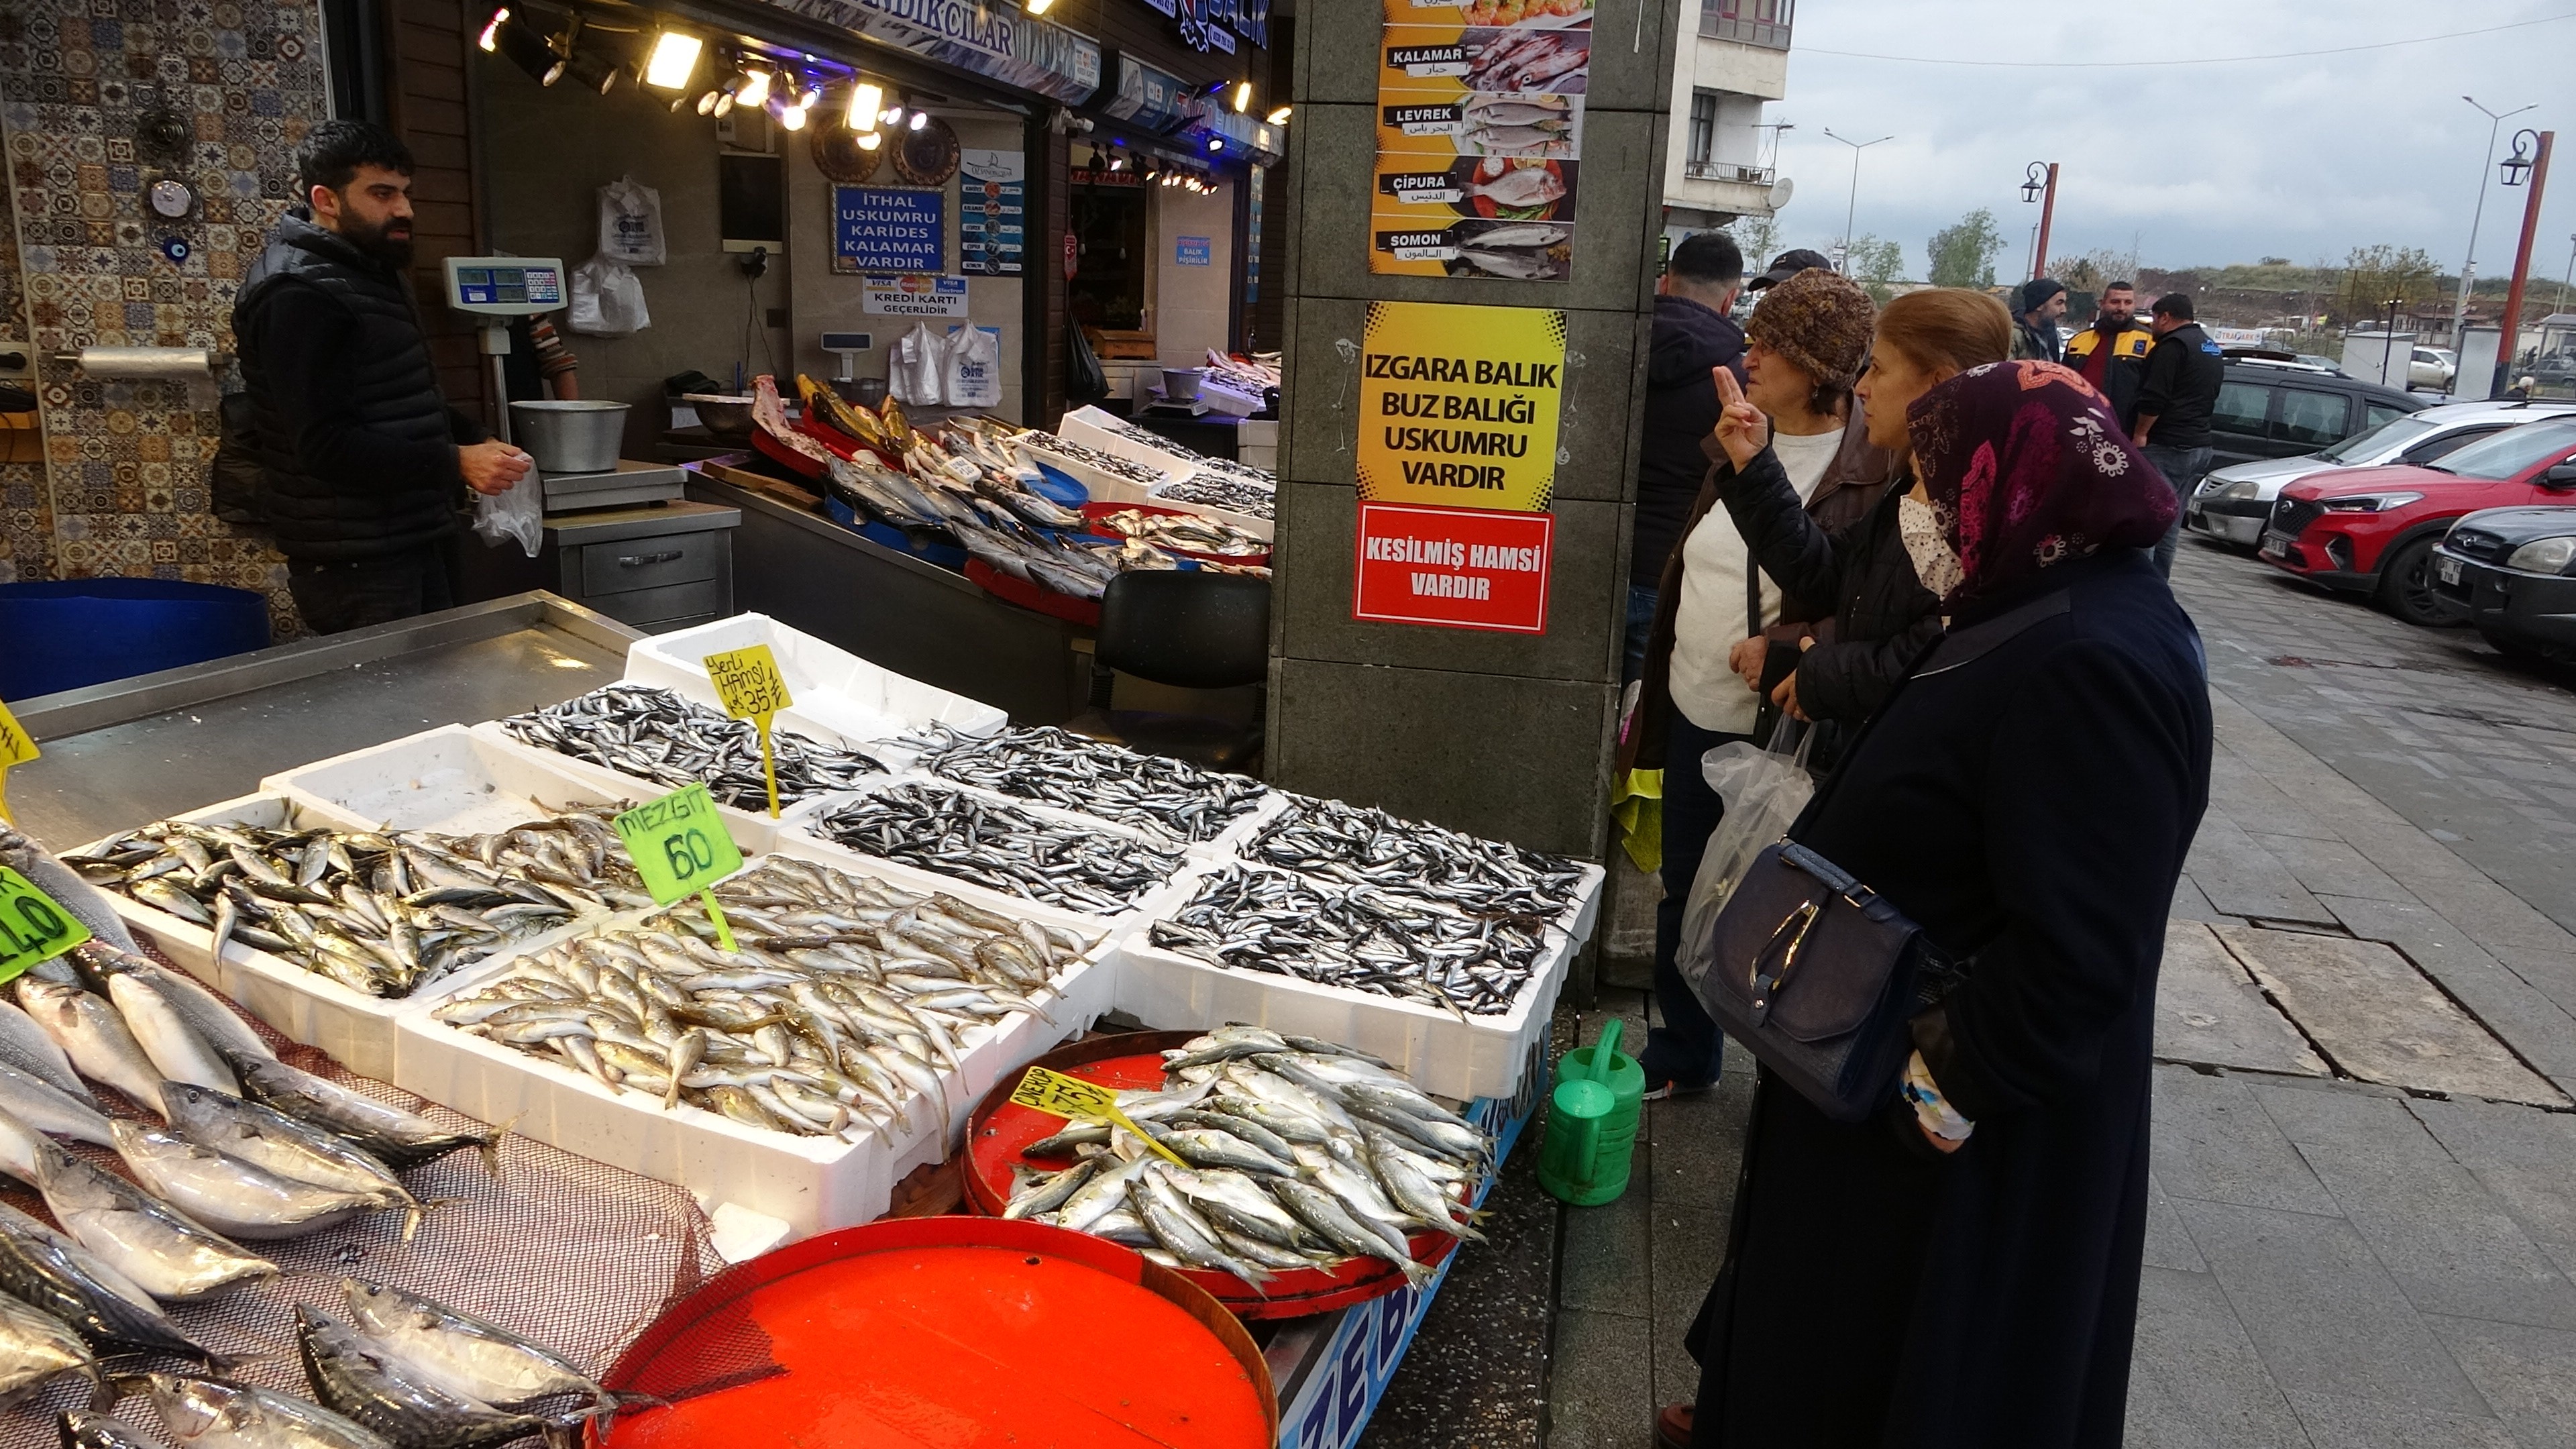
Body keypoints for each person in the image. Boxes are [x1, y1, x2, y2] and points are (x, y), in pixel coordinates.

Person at [1662, 358, 2211, 1449]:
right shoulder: (2028, 588)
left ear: (2018, 480)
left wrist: (1927, 1100)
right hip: (1868, 1070)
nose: (1917, 505)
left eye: (1932, 479)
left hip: (1947, 1140)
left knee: (1892, 1377)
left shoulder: (2096, 659)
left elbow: (2077, 957)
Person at [1622, 265, 1886, 1098]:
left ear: (1822, 368)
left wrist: (1793, 641)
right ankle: (1682, 1051)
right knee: (1684, 888)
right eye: (1757, 330)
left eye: (1775, 341)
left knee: (1771, 904)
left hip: (1777, 725)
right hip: (1696, 704)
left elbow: (1850, 598)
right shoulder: (1740, 427)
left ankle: (1784, 1060)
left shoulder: (1871, 470)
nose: (1752, 348)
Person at [234, 119, 531, 635]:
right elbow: (325, 445)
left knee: (441, 694)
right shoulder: (297, 294)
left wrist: (472, 436)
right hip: (358, 564)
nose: (405, 210)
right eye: (382, 193)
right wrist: (455, 460)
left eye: (405, 193)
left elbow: (392, 397)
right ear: (325, 199)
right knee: (399, 709)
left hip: (410, 538)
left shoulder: (367, 273)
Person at [1704, 290, 2008, 759]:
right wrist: (1754, 467)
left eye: (1879, 369)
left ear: (1940, 385)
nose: (1861, 386)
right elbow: (1828, 576)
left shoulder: (1977, 514)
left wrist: (1814, 667)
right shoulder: (1910, 489)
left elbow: (1934, 655)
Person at [1627, 233, 1748, 686]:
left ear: (1665, 282)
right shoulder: (1737, 382)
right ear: (1730, 299)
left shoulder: (1614, 347)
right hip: (1667, 572)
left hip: (1583, 562)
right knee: (1635, 728)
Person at [2135, 292, 2226, 578]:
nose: (2152, 326)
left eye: (2153, 319)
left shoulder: (2172, 346)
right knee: (2170, 525)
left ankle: (2140, 589)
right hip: (2198, 445)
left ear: (2165, 317)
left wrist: (2140, 434)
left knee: (2148, 522)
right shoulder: (2210, 347)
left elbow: (2154, 398)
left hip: (2167, 445)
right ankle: (2160, 588)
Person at [2059, 280, 2153, 431]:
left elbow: (2155, 394)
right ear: (2102, 303)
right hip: (2080, 425)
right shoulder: (2079, 340)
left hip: (2125, 430)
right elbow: (2064, 386)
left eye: (2128, 302)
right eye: (2115, 302)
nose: (2121, 308)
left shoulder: (2150, 341)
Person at [2012, 278, 2065, 362]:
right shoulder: (2013, 335)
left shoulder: (2050, 335)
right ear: (2039, 305)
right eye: (2059, 303)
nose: (2064, 310)